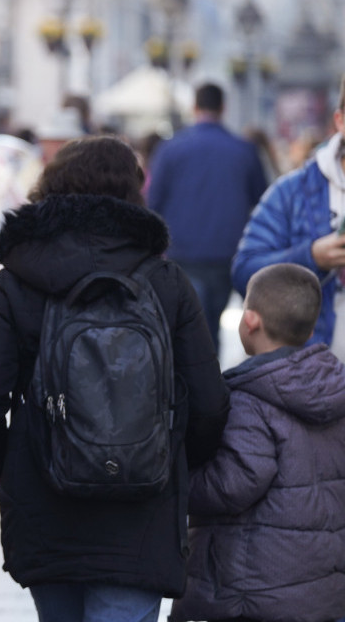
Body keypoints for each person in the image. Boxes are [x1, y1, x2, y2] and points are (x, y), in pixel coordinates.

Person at [0, 136, 230, 622]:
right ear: (133, 194)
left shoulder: (17, 280)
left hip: (44, 500)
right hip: (141, 511)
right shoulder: (167, 283)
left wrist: (1, 468)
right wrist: (171, 461)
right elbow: (210, 401)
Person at [170, 263, 345, 622]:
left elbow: (234, 482)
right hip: (320, 591)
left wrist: (179, 485)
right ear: (311, 327)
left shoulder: (251, 398)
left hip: (252, 588)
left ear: (249, 321)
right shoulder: (335, 392)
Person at [149, 82, 268, 351]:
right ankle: (211, 372)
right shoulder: (244, 150)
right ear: (223, 108)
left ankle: (195, 374)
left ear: (194, 107)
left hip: (182, 252)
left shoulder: (170, 149)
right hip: (227, 253)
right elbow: (262, 203)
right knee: (211, 325)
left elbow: (153, 202)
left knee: (188, 327)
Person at [233, 78, 345, 359]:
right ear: (340, 121)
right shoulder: (292, 192)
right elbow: (245, 272)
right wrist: (311, 257)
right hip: (307, 367)